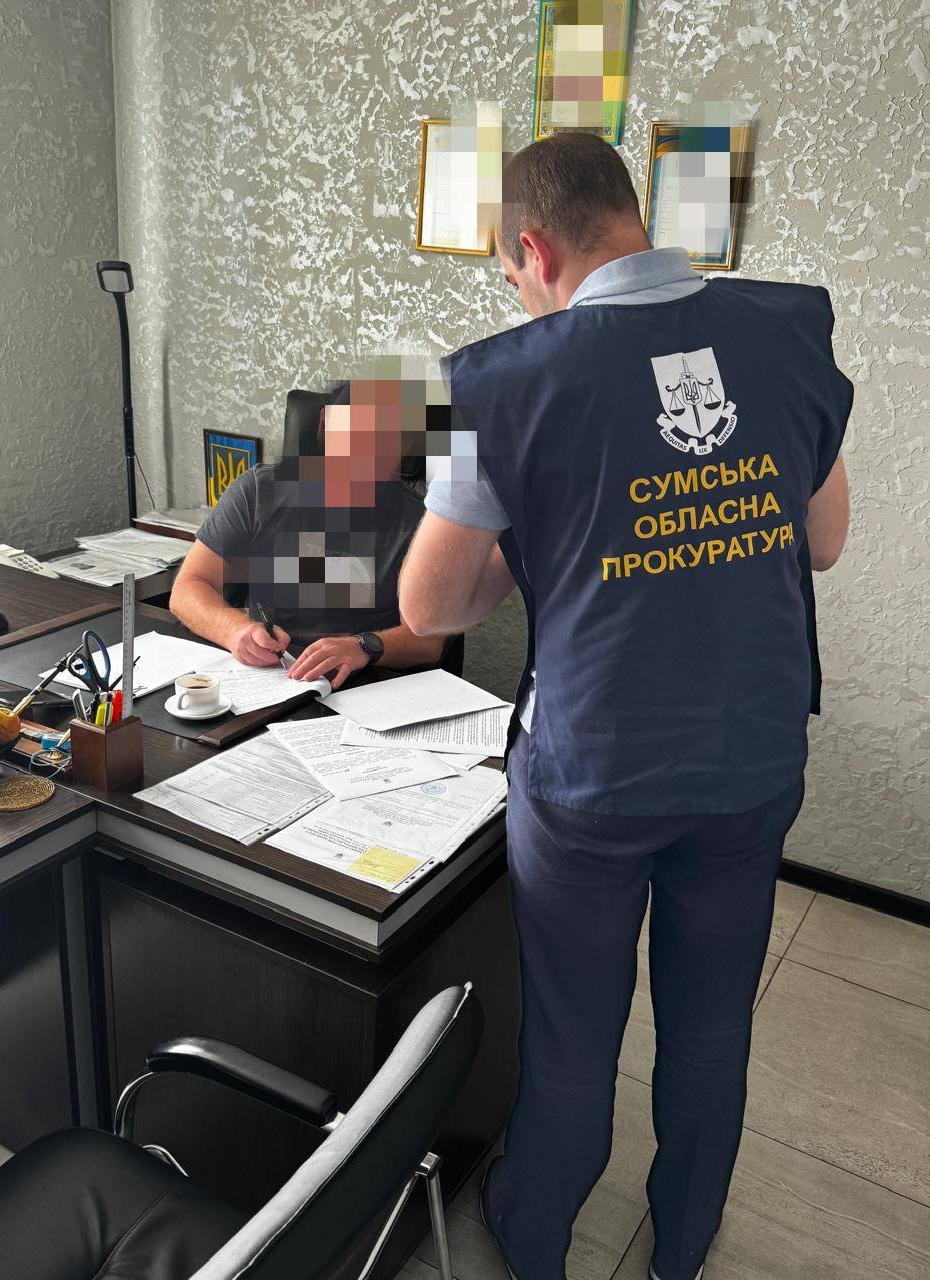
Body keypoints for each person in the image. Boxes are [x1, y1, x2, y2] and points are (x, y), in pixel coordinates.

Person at [398, 133, 852, 1280]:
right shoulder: (790, 329)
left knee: (572, 1041)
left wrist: (549, 544)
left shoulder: (485, 380)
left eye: (513, 272)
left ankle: (536, 1235)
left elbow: (430, 601)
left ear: (534, 248)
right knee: (711, 1029)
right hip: (751, 757)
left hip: (590, 775)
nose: (519, 292)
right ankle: (682, 1243)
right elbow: (824, 541)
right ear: (632, 215)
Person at [171, 380, 445, 689]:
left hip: (362, 684)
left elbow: (428, 642)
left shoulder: (422, 524)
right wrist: (235, 631)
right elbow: (188, 588)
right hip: (267, 676)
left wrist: (363, 647)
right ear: (325, 424)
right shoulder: (259, 492)